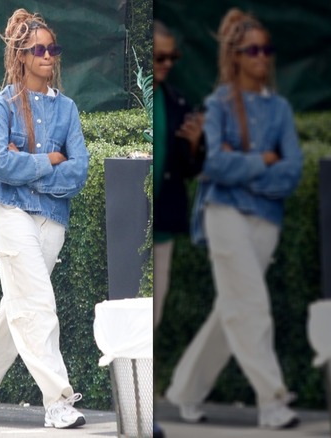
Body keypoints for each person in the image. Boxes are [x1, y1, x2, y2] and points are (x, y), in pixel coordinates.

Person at [163, 8, 303, 430]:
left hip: (266, 220)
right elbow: (214, 165)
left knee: (233, 310)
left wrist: (245, 170)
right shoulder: (220, 104)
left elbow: (292, 171)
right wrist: (263, 161)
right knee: (251, 307)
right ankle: (273, 400)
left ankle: (185, 389)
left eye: (267, 49)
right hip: (222, 215)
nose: (262, 56)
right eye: (253, 50)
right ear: (237, 56)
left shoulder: (278, 109)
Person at [0, 9, 90, 429]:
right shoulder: (3, 104)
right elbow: (0, 165)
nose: (49, 56)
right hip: (8, 213)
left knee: (19, 309)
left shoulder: (67, 108)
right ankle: (59, 401)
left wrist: (32, 171)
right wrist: (49, 160)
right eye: (40, 49)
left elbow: (79, 171)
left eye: (53, 48)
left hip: (52, 219)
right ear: (22, 56)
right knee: (38, 306)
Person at [152, 20, 205, 329]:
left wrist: (196, 145)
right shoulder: (143, 97)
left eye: (173, 58)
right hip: (133, 223)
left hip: (164, 226)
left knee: (155, 312)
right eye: (161, 58)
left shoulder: (178, 102)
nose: (168, 64)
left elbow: (190, 169)